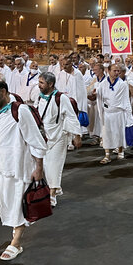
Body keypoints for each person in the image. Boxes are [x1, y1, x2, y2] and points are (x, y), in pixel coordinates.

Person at [0, 79, 47, 261]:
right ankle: (16, 226)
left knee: (17, 205)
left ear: (3, 91)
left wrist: (39, 168)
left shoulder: (20, 110)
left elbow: (36, 141)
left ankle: (16, 242)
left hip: (19, 167)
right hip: (1, 167)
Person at [36, 72, 82, 207]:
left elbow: (71, 117)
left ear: (50, 84)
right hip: (44, 137)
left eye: (41, 83)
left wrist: (76, 136)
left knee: (53, 166)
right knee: (45, 166)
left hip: (59, 136)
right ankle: (53, 189)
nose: (39, 86)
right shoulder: (39, 97)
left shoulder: (61, 98)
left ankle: (52, 195)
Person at [97, 64, 133, 164]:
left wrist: (129, 115)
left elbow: (126, 100)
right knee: (106, 133)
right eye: (114, 70)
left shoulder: (123, 84)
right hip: (107, 113)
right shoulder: (102, 84)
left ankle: (120, 151)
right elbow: (98, 96)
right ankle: (107, 155)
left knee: (119, 132)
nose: (117, 73)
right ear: (108, 71)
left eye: (118, 71)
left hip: (118, 113)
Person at [56, 57, 88, 147]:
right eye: (63, 65)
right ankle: (68, 141)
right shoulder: (61, 74)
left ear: (71, 64)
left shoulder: (77, 74)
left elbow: (81, 91)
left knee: (74, 121)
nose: (64, 67)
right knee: (65, 121)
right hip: (64, 101)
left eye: (67, 65)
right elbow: (58, 87)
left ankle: (75, 140)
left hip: (75, 103)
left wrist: (80, 106)